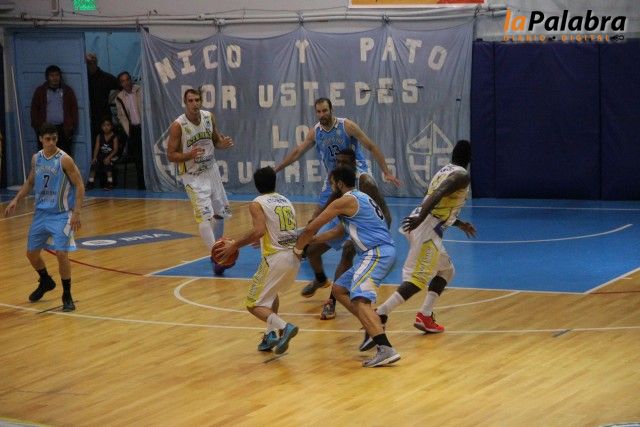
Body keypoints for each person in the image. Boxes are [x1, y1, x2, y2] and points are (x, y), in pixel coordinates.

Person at [274, 97, 401, 297]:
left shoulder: (346, 126)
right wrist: (277, 168)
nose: (322, 114)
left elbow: (371, 146)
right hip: (335, 179)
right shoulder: (316, 132)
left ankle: (335, 297)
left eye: (325, 110)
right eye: (318, 111)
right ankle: (320, 278)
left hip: (354, 174)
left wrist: (386, 171)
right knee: (314, 223)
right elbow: (298, 151)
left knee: (348, 249)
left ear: (331, 110)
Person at [360, 140, 476, 351]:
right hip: (426, 227)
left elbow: (437, 202)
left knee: (447, 271)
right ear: (470, 158)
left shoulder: (445, 170)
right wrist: (421, 218)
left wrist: (459, 224)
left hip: (425, 223)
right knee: (416, 280)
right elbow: (437, 195)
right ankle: (380, 314)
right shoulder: (462, 176)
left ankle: (425, 315)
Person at [294, 166, 399, 368]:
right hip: (378, 252)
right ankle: (372, 323)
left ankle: (385, 348)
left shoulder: (344, 201)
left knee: (360, 300)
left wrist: (299, 249)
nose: (330, 187)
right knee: (339, 289)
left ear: (340, 183)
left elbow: (312, 226)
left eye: (332, 183)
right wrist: (313, 240)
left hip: (376, 253)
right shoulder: (359, 199)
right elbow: (338, 232)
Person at [215, 166, 300, 354]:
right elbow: (282, 230)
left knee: (253, 304)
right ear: (275, 182)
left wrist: (234, 245)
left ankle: (284, 327)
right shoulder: (285, 201)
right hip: (293, 257)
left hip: (275, 258)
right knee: (271, 294)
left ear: (256, 185)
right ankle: (270, 335)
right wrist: (261, 238)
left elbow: (259, 230)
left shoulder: (257, 203)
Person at [302, 149, 392, 321]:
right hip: (342, 220)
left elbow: (385, 213)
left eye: (344, 162)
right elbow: (329, 204)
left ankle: (332, 301)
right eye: (338, 161)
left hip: (362, 223)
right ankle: (320, 279)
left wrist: (381, 236)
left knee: (347, 251)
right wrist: (312, 224)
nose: (340, 165)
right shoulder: (339, 179)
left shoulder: (365, 181)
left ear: (354, 163)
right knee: (312, 251)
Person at [4, 123, 85, 312]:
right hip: (41, 213)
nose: (51, 142)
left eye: (54, 139)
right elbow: (30, 182)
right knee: (31, 254)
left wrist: (76, 212)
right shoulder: (36, 158)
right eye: (47, 139)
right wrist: (16, 199)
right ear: (41, 139)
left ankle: (67, 295)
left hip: (61, 214)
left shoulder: (64, 159)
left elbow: (79, 185)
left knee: (61, 253)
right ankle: (46, 280)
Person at [166, 88, 234, 275]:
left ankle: (217, 249)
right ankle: (218, 256)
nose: (194, 104)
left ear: (201, 101)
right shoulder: (178, 125)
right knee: (204, 216)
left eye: (197, 100)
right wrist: (189, 155)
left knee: (220, 213)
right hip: (192, 175)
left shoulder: (208, 117)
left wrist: (222, 144)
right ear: (185, 103)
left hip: (211, 170)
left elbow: (216, 141)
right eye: (191, 101)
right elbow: (170, 155)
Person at [30, 65, 78, 156]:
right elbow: (34, 110)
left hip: (63, 129)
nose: (55, 78)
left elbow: (74, 109)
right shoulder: (40, 91)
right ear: (47, 77)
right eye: (52, 76)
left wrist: (72, 126)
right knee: (46, 155)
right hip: (45, 129)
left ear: (60, 76)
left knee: (64, 156)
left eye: (57, 75)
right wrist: (38, 127)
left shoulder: (67, 91)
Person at [115, 71, 145, 189]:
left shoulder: (140, 90)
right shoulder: (119, 97)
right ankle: (141, 184)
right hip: (134, 129)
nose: (126, 83)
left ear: (131, 79)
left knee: (149, 155)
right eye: (123, 81)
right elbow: (121, 116)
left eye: (127, 79)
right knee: (138, 158)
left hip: (145, 127)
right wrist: (128, 131)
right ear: (120, 84)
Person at [86, 53, 120, 145]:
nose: (91, 64)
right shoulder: (83, 78)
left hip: (103, 114)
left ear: (96, 62)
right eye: (88, 62)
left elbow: (121, 87)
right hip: (88, 115)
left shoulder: (106, 77)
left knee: (106, 141)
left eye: (92, 62)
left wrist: (110, 99)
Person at [87, 117, 120, 190]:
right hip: (102, 155)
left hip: (112, 155)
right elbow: (96, 148)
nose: (106, 127)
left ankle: (110, 183)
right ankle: (91, 182)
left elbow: (115, 150)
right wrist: (94, 157)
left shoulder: (114, 137)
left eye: (108, 125)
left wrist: (108, 157)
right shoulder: (99, 136)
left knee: (107, 163)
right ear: (101, 127)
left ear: (111, 126)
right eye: (104, 125)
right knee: (94, 163)